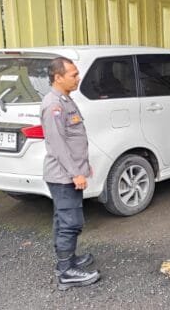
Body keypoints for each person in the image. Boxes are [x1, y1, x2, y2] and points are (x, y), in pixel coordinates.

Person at [41, 57, 100, 290]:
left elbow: (74, 140)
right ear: (58, 77)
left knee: (63, 218)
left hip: (68, 172)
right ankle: (66, 272)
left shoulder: (65, 100)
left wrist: (84, 166)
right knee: (70, 222)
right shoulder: (53, 105)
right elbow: (58, 145)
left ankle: (68, 260)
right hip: (63, 175)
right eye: (73, 75)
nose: (78, 78)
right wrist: (76, 173)